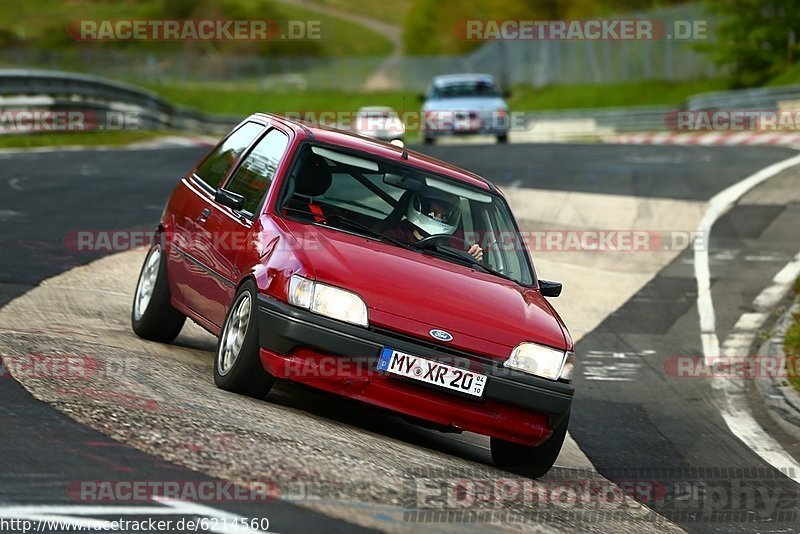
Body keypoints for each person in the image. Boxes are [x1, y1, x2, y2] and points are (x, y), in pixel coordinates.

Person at [383, 188, 483, 261]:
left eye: (444, 216)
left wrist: (474, 259)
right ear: (421, 206)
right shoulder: (395, 236)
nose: (439, 218)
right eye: (433, 213)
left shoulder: (456, 245)